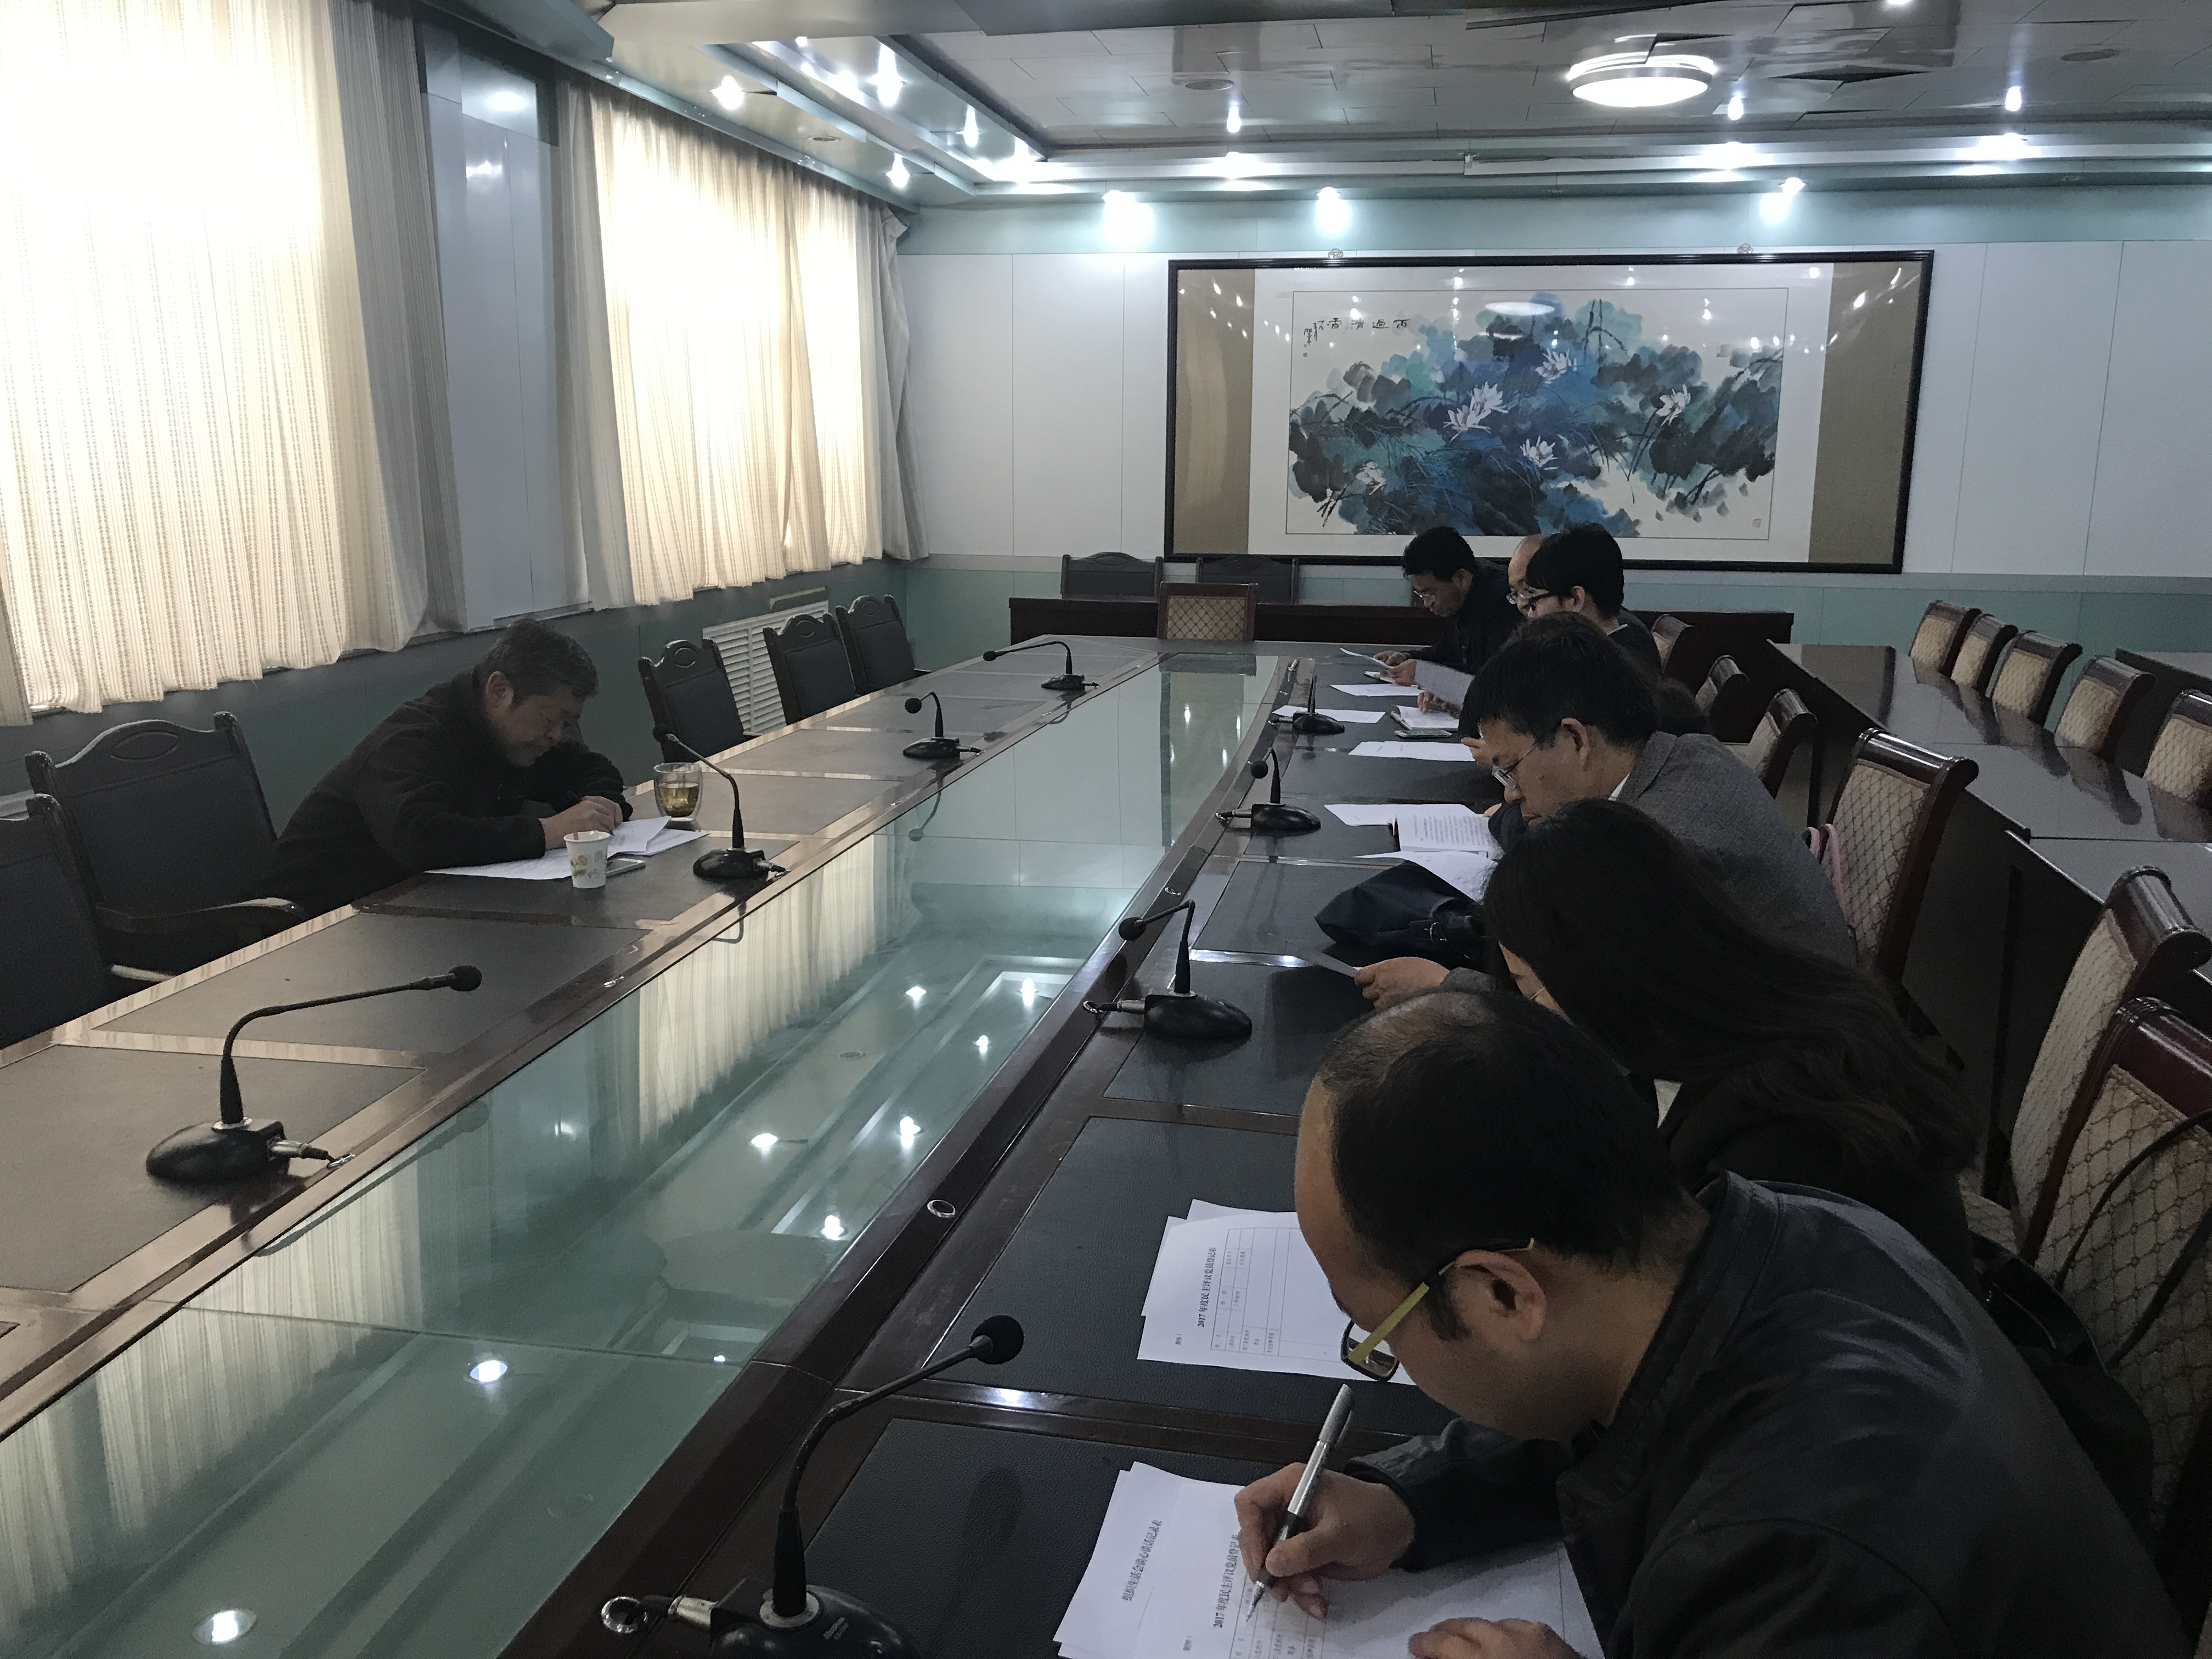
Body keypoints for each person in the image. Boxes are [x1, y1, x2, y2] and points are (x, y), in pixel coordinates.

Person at [1234, 990, 2183, 1659]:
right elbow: (1613, 1410)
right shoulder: (1781, 1229)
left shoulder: (1794, 1556)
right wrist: (1414, 1500)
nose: (1390, 1359)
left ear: (1504, 1294)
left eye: (1377, 1333)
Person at [1483, 799, 1978, 1281]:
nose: (1537, 1013)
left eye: (1531, 988)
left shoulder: (1775, 1136)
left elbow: (1685, 1300)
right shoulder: (1757, 1002)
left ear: (1597, 977)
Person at [1355, 614, 1849, 1004]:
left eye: (1512, 769)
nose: (1510, 794)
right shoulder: (1687, 752)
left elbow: (1600, 1020)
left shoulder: (1654, 845)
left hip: (1780, 1073)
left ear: (1576, 739)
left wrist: (1445, 988)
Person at [267, 619, 630, 917]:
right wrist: (548, 831)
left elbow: (592, 768)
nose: (556, 735)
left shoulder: (522, 738)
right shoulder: (411, 741)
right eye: (550, 719)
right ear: (500, 690)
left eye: (568, 723)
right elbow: (423, 840)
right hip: (317, 922)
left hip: (417, 908)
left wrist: (598, 808)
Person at [1376, 527, 1519, 688]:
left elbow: (1492, 676)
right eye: (1421, 595)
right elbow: (1447, 652)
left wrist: (1425, 674)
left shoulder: (1504, 603)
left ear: (1461, 578)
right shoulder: (1458, 598)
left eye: (1430, 594)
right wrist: (1407, 658)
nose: (1427, 604)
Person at [1518, 524, 1660, 675]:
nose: (1530, 614)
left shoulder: (1592, 672)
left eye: (1534, 600)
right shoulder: (1626, 650)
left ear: (1576, 599)